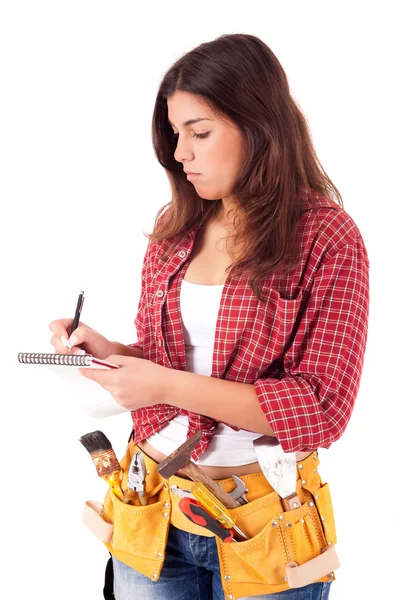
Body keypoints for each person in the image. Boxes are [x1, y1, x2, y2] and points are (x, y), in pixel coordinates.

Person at [49, 33, 369, 600]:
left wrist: (164, 382)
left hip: (267, 525)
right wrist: (115, 353)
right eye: (176, 135)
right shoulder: (176, 227)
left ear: (260, 125)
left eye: (200, 132)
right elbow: (175, 363)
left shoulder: (326, 236)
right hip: (152, 505)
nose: (180, 154)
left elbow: (320, 408)